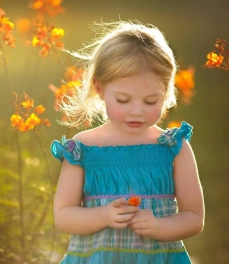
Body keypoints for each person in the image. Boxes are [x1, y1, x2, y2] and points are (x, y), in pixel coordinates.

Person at [50, 21, 204, 264]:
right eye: (123, 100)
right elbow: (63, 216)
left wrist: (158, 227)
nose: (137, 112)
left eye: (151, 101)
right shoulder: (82, 149)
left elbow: (194, 217)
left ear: (166, 92)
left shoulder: (173, 148)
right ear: (99, 88)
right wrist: (103, 215)